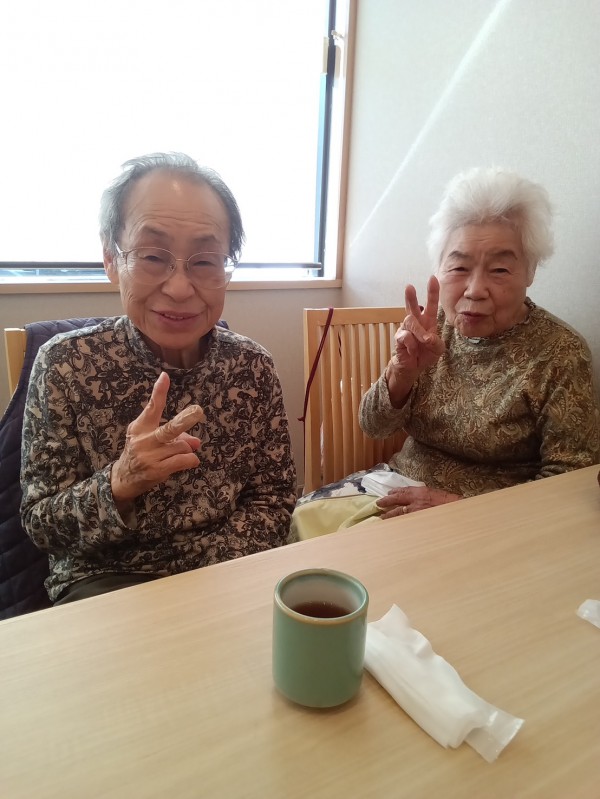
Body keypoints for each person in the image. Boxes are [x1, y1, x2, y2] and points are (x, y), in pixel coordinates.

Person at [21, 152, 297, 603]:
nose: (180, 288)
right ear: (111, 259)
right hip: (106, 582)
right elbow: (41, 525)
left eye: (205, 261)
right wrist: (120, 481)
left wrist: (206, 584)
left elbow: (275, 496)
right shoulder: (65, 364)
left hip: (228, 574)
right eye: (152, 256)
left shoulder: (252, 367)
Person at [293, 166, 599, 536]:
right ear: (440, 268)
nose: (475, 289)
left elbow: (571, 478)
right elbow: (373, 426)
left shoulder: (560, 353)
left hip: (494, 521)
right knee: (300, 523)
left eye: (500, 270)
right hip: (396, 485)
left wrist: (463, 508)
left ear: (530, 272)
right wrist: (401, 373)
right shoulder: (430, 329)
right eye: (459, 266)